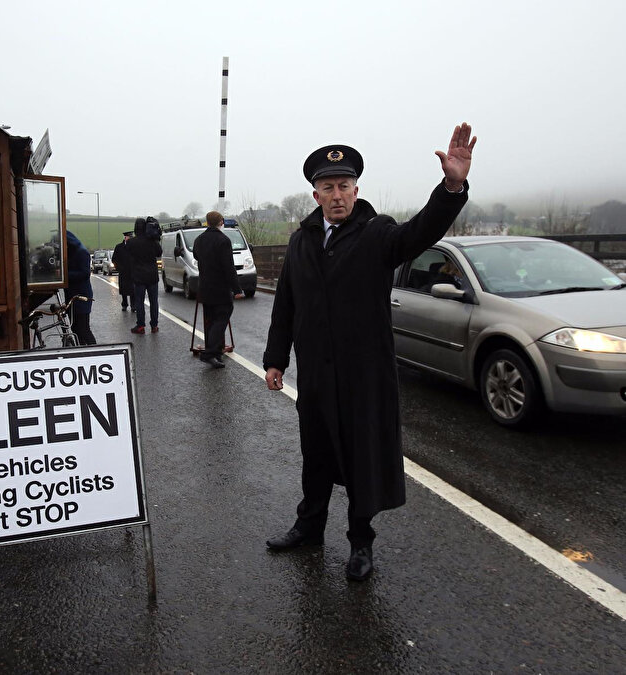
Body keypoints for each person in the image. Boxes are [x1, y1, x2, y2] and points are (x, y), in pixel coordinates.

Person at [263, 123, 476, 581]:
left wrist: (452, 186)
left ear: (356, 190)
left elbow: (421, 232)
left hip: (364, 376)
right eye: (327, 187)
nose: (336, 194)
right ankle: (309, 527)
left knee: (362, 458)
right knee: (316, 455)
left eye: (344, 186)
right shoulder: (302, 241)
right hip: (317, 375)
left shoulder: (378, 234)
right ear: (315, 194)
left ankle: (361, 544)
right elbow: (286, 303)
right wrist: (275, 358)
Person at [193, 210, 243, 368]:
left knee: (211, 321)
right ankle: (209, 353)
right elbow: (228, 267)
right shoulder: (223, 240)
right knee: (221, 320)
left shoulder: (199, 240)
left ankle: (215, 353)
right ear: (221, 222)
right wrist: (237, 289)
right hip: (220, 288)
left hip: (205, 287)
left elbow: (196, 256)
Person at [125, 217, 162, 334]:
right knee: (154, 302)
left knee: (139, 302)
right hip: (152, 275)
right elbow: (159, 253)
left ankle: (140, 326)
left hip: (138, 276)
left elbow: (128, 255)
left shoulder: (131, 242)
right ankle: (154, 325)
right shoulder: (152, 241)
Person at [64, 230, 96, 345]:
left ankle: (95, 352)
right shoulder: (72, 252)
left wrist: (64, 275)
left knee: (83, 329)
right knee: (75, 328)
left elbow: (85, 273)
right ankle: (82, 348)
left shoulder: (81, 253)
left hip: (81, 296)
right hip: (73, 296)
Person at [112, 231, 135, 311]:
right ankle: (124, 304)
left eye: (132, 237)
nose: (131, 238)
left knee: (133, 290)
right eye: (129, 237)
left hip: (132, 272)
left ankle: (133, 305)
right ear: (125, 237)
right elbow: (114, 259)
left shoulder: (134, 247)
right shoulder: (119, 247)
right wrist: (119, 268)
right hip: (123, 272)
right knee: (124, 290)